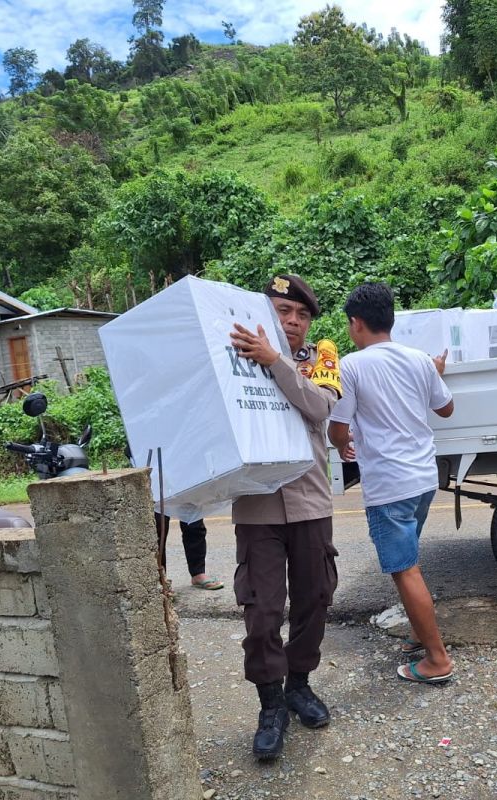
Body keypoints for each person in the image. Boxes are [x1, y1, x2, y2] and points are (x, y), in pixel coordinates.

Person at [228, 274, 341, 760]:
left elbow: (319, 408)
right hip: (257, 504)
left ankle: (299, 685)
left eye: (301, 315)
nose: (293, 322)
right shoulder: (234, 357)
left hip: (311, 501)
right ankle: (270, 703)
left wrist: (276, 362)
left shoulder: (322, 359)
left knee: (315, 599)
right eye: (282, 311)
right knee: (262, 611)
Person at [327, 281, 455, 685]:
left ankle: (437, 660)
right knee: (410, 562)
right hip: (422, 478)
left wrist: (345, 444)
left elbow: (337, 428)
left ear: (356, 323)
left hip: (389, 483)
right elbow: (446, 408)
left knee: (404, 569)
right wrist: (434, 373)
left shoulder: (351, 365)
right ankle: (421, 633)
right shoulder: (419, 359)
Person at [125, 444, 224, 590]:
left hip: (184, 462)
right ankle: (160, 578)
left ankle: (198, 574)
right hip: (154, 462)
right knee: (157, 526)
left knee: (193, 521)